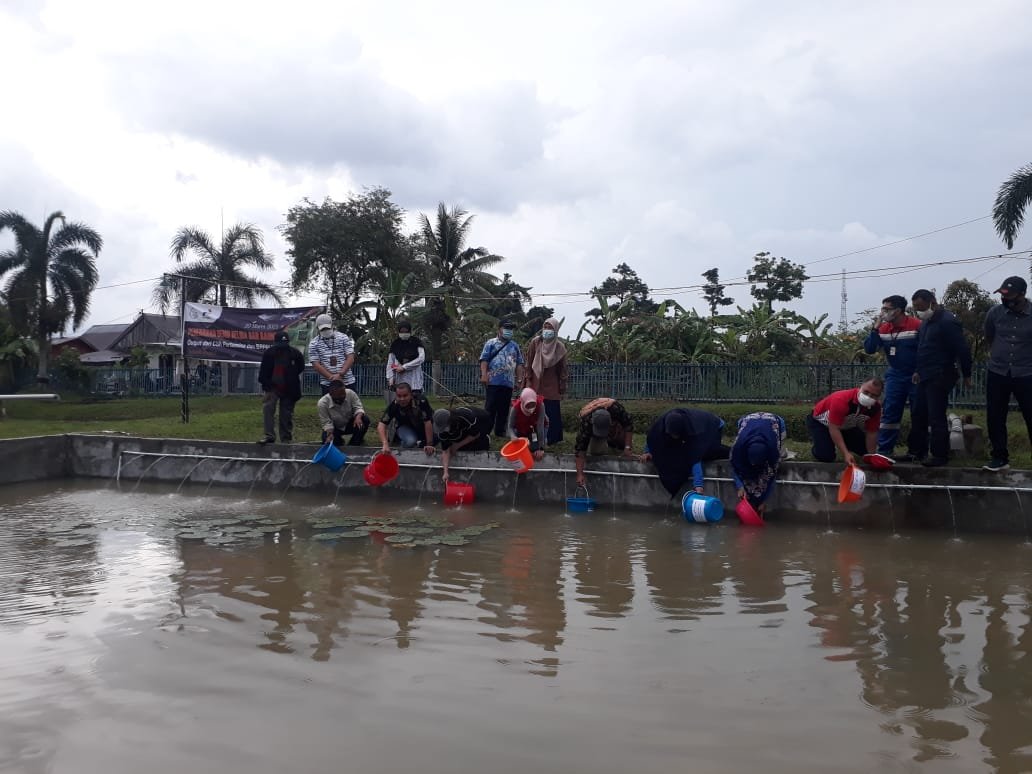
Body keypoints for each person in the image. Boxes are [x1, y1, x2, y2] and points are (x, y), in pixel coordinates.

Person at [908, 289, 972, 467]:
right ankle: (916, 451)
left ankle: (939, 455)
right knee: (918, 413)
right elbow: (923, 349)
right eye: (915, 308)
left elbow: (962, 349)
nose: (918, 311)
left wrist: (967, 374)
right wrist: (917, 370)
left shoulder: (947, 322)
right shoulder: (925, 323)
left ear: (932, 303)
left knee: (936, 415)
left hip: (941, 374)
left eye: (920, 307)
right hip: (924, 374)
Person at [983, 276, 1032, 471]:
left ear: (1022, 295)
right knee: (995, 416)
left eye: (1010, 296)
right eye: (1003, 295)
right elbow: (989, 336)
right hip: (998, 371)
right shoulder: (995, 313)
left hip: (1027, 373)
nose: (1006, 299)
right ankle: (999, 458)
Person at [863, 294, 921, 457]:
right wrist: (875, 328)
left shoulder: (916, 325)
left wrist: (921, 370)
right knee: (890, 412)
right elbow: (870, 349)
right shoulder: (883, 328)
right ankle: (885, 450)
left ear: (898, 311)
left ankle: (917, 451)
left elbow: (926, 349)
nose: (883, 312)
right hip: (895, 375)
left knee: (919, 412)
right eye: (883, 308)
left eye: (887, 309)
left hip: (916, 375)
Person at [640, 408, 729, 497]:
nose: (674, 437)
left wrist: (698, 485)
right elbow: (654, 438)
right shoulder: (660, 425)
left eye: (677, 435)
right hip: (697, 424)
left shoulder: (694, 432)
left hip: (713, 426)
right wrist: (648, 452)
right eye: (672, 435)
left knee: (707, 451)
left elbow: (696, 457)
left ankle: (731, 452)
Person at [807, 378, 884, 464]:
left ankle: (841, 442)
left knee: (866, 451)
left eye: (873, 395)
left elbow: (872, 432)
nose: (868, 397)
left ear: (878, 396)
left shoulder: (875, 408)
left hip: (845, 426)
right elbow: (834, 428)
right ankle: (819, 446)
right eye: (866, 392)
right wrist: (845, 453)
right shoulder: (841, 399)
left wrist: (871, 456)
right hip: (822, 423)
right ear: (860, 387)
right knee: (826, 456)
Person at [729, 411, 787, 515]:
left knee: (782, 456)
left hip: (774, 422)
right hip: (747, 420)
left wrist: (764, 500)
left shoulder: (773, 451)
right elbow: (734, 466)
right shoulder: (737, 449)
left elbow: (772, 475)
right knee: (744, 468)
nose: (754, 466)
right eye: (752, 463)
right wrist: (740, 486)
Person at [523, 317, 568, 445]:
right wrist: (528, 380)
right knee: (534, 410)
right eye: (545, 327)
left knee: (552, 411)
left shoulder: (560, 347)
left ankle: (554, 439)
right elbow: (529, 362)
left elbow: (562, 369)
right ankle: (533, 438)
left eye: (550, 328)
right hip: (536, 382)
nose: (547, 330)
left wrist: (562, 385)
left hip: (552, 384)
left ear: (556, 330)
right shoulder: (536, 342)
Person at [257, 330, 305, 445]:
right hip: (272, 387)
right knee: (268, 409)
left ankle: (286, 439)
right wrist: (268, 387)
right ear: (275, 343)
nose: (282, 348)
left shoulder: (295, 354)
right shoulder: (269, 354)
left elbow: (300, 367)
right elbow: (263, 373)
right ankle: (269, 436)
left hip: (290, 388)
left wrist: (290, 378)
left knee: (286, 414)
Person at [573, 397, 635, 487]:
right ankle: (603, 447)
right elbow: (580, 451)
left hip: (615, 425)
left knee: (622, 443)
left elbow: (628, 425)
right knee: (596, 451)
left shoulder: (616, 409)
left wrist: (627, 447)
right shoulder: (586, 422)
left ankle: (617, 448)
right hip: (594, 426)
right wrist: (579, 474)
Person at [479, 319, 525, 437]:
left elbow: (519, 363)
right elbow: (484, 360)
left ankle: (500, 432)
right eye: (506, 328)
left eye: (511, 329)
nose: (509, 331)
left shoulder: (514, 346)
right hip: (493, 382)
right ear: (499, 329)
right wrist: (484, 375)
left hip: (508, 383)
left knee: (504, 409)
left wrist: (519, 379)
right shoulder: (491, 343)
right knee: (490, 407)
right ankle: (486, 432)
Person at [434, 406, 492, 482]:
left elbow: (475, 434)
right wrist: (445, 472)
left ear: (450, 421)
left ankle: (486, 439)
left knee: (478, 443)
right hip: (461, 428)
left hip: (483, 420)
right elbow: (445, 451)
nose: (444, 430)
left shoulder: (466, 416)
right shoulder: (442, 432)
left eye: (445, 427)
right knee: (459, 447)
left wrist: (457, 446)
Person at [376, 381, 435, 455]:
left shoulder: (421, 401)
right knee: (410, 441)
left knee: (435, 439)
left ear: (411, 394)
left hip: (422, 427)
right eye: (399, 396)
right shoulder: (395, 405)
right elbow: (381, 424)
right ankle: (401, 452)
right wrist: (385, 443)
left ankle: (419, 444)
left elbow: (427, 422)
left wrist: (429, 444)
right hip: (405, 428)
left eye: (405, 396)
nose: (402, 399)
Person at [308, 313, 355, 396]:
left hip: (347, 381)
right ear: (317, 328)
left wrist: (341, 374)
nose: (325, 330)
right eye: (323, 329)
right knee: (329, 408)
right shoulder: (314, 343)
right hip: (327, 384)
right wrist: (331, 377)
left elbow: (350, 357)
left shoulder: (343, 338)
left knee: (350, 407)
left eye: (327, 327)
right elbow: (316, 364)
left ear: (332, 325)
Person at [316, 379, 369, 446]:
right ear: (331, 394)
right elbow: (326, 422)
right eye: (339, 395)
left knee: (364, 420)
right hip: (335, 428)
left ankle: (354, 443)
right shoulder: (322, 403)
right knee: (327, 440)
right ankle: (339, 442)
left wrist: (358, 416)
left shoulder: (350, 393)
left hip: (351, 424)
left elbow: (358, 407)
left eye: (343, 393)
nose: (343, 396)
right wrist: (330, 434)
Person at [386, 319, 426, 396]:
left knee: (415, 401)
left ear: (410, 331)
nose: (404, 333)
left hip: (414, 380)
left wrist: (404, 367)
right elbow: (390, 363)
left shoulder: (416, 342)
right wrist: (390, 378)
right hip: (400, 380)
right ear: (398, 332)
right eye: (402, 331)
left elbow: (421, 358)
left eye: (406, 331)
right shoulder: (395, 344)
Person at [506, 388, 547, 461]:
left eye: (533, 405)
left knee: (534, 448)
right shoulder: (515, 408)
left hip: (533, 430)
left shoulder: (541, 406)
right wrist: (513, 436)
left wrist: (541, 448)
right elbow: (510, 427)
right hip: (520, 429)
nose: (531, 409)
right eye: (528, 405)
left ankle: (534, 447)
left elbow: (540, 427)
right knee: (517, 445)